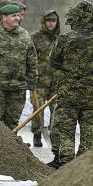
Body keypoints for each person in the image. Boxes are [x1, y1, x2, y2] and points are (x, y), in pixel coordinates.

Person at [46, 1, 93, 168]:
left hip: (69, 95)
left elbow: (53, 61)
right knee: (88, 132)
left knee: (66, 131)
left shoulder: (66, 39)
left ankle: (66, 164)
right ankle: (83, 167)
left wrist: (71, 68)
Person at [30, 10, 60, 148]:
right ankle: (37, 134)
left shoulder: (61, 38)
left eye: (53, 21)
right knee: (38, 108)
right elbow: (29, 58)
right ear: (44, 22)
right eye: (48, 21)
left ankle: (55, 135)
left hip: (56, 80)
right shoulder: (35, 38)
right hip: (40, 80)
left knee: (57, 109)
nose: (51, 23)